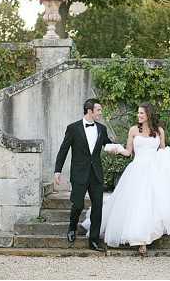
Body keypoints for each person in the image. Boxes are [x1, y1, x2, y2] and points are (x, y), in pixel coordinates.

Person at [81, 102, 170, 256]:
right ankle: (139, 239)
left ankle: (150, 235)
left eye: (141, 114)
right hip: (137, 170)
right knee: (138, 204)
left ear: (148, 115)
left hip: (155, 171)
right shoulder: (133, 130)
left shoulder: (159, 131)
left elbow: (163, 151)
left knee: (154, 204)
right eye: (138, 113)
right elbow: (128, 152)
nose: (138, 116)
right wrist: (117, 149)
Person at [53, 98, 114, 252]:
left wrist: (122, 149)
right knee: (78, 204)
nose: (101, 113)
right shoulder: (73, 128)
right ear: (90, 111)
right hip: (79, 173)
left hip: (96, 174)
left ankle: (93, 241)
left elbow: (107, 144)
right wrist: (57, 170)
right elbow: (63, 149)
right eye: (98, 110)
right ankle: (72, 227)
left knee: (98, 207)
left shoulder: (102, 129)